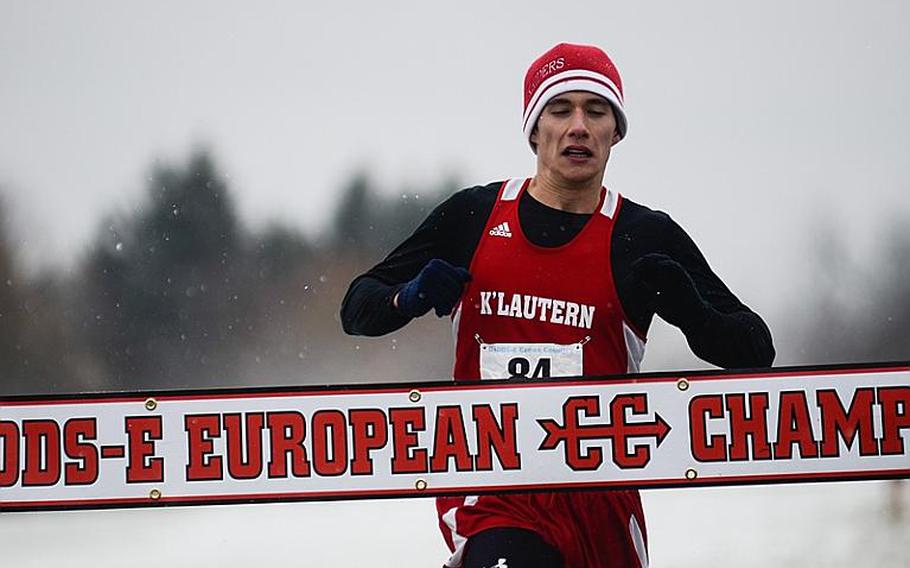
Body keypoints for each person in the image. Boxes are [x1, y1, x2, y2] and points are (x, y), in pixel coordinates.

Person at [341, 43, 774, 568]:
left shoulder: (643, 235)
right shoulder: (474, 216)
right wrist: (406, 297)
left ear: (615, 132)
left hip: (601, 502)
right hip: (494, 493)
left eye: (596, 111)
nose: (578, 126)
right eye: (560, 109)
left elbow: (754, 350)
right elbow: (357, 309)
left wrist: (692, 310)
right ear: (534, 129)